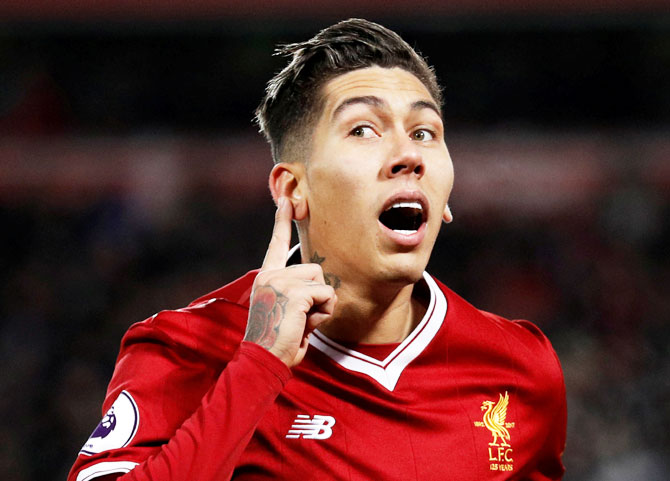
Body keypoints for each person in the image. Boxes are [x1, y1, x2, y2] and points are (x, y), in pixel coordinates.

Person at [68, 18, 566, 481]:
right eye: (363, 130)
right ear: (292, 191)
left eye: (424, 132)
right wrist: (259, 365)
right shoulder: (186, 349)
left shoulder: (521, 367)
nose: (409, 156)